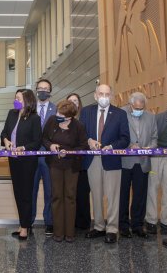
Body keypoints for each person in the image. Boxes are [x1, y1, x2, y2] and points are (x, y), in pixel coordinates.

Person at [80, 84, 130, 243]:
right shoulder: (86, 112)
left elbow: (125, 138)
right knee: (96, 195)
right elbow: (81, 134)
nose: (104, 97)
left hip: (112, 159)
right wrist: (89, 141)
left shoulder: (120, 114)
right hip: (92, 160)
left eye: (107, 94)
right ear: (95, 95)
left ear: (111, 96)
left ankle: (112, 229)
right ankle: (99, 226)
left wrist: (112, 147)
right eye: (101, 93)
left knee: (113, 196)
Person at [42, 100, 88, 242]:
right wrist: (50, 145)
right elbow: (44, 138)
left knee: (69, 197)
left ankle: (69, 233)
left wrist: (68, 152)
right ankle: (58, 232)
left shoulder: (78, 126)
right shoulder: (51, 121)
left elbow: (83, 146)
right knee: (56, 196)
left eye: (60, 114)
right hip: (54, 164)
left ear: (69, 117)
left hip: (71, 166)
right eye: (57, 112)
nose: (57, 115)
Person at [0, 89, 42, 240]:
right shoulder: (12, 114)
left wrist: (23, 148)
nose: (15, 100)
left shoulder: (34, 118)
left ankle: (25, 227)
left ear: (27, 100)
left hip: (27, 161)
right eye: (15, 97)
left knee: (26, 194)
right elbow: (4, 132)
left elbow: (37, 141)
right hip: (13, 159)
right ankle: (22, 223)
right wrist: (5, 140)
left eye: (18, 98)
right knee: (17, 193)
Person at [119, 92, 157, 238]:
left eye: (141, 108)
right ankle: (123, 226)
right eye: (136, 107)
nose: (139, 110)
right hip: (124, 161)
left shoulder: (150, 116)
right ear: (130, 105)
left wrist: (149, 148)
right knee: (123, 195)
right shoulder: (121, 113)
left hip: (143, 161)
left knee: (140, 195)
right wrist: (129, 145)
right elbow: (117, 134)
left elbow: (154, 138)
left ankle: (137, 225)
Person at [145, 95, 167, 234]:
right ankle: (151, 221)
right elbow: (151, 136)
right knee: (152, 188)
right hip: (155, 157)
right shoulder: (158, 118)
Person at [31, 79, 56, 235]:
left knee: (50, 191)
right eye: (40, 88)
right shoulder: (29, 109)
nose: (43, 91)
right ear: (36, 90)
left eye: (46, 88)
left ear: (50, 91)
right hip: (32, 156)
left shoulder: (57, 109)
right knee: (31, 191)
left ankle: (50, 223)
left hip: (49, 157)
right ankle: (29, 222)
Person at [67, 93, 91, 231]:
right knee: (70, 194)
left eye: (76, 100)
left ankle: (84, 224)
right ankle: (72, 223)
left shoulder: (85, 118)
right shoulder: (62, 119)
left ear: (79, 104)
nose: (73, 103)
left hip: (83, 163)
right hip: (68, 164)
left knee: (82, 194)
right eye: (70, 101)